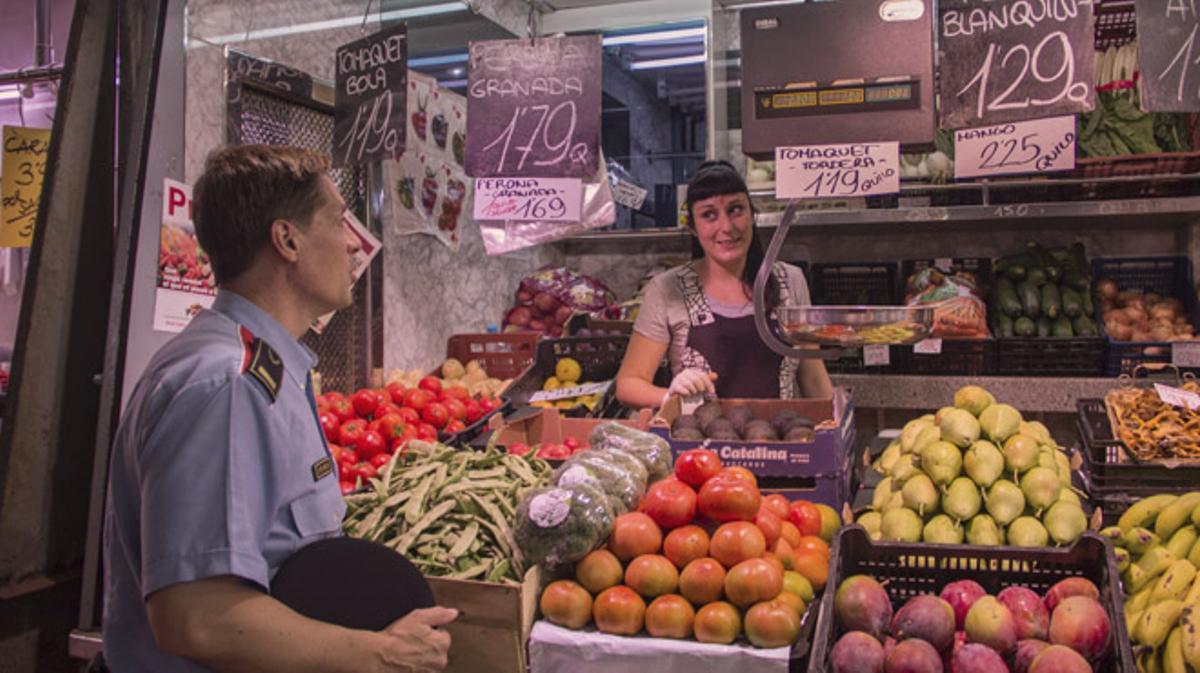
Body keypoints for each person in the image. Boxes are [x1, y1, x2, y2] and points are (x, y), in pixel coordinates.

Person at [102, 145, 456, 672]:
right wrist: (380, 654)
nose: (352, 246)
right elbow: (194, 616)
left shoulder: (264, 366)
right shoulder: (227, 386)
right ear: (287, 240)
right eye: (338, 222)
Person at [616, 160, 833, 408]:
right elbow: (628, 384)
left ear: (752, 215)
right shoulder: (667, 289)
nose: (726, 227)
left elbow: (812, 375)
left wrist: (835, 427)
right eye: (709, 215)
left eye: (736, 210)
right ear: (693, 227)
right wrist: (669, 397)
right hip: (697, 443)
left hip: (777, 439)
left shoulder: (790, 281)